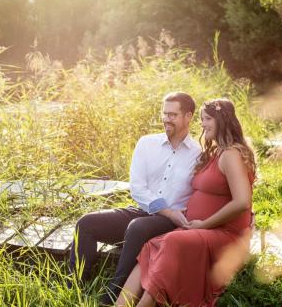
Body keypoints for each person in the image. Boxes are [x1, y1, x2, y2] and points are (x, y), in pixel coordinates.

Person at [116, 98, 256, 307]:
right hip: (201, 228)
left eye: (207, 119)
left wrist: (203, 224)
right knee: (150, 247)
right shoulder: (215, 152)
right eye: (201, 119)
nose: (202, 124)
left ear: (222, 120)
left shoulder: (231, 154)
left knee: (171, 243)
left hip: (224, 233)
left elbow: (242, 202)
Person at [69, 92, 201, 305]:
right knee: (86, 223)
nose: (167, 119)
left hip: (171, 223)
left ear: (188, 116)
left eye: (173, 115)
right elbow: (137, 188)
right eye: (164, 113)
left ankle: (113, 293)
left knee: (137, 227)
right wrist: (166, 210)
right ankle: (76, 286)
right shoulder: (146, 143)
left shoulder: (198, 153)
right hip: (143, 211)